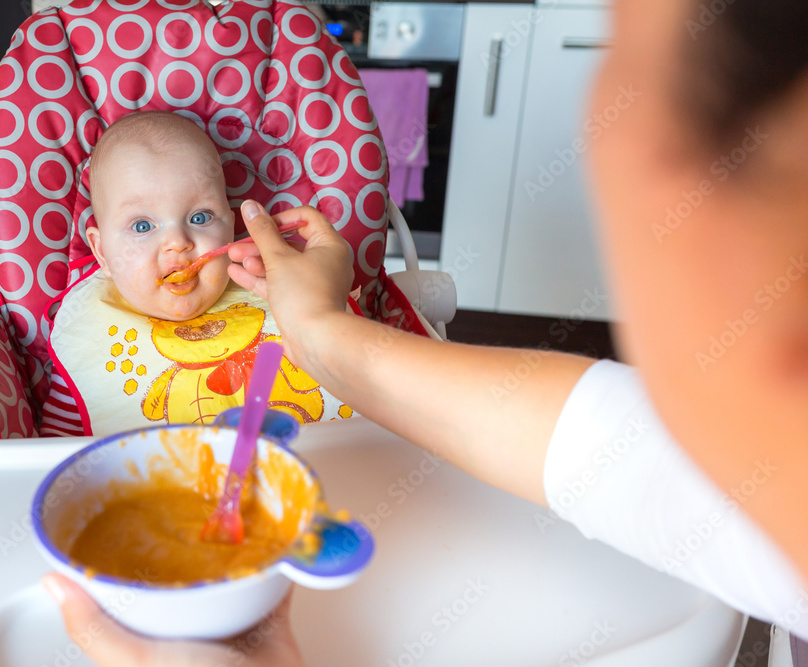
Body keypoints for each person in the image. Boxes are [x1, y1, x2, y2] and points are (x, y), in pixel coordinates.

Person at [42, 0, 808, 662]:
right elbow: (605, 445)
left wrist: (309, 322)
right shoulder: (749, 497)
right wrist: (320, 326)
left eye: (619, 46)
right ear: (100, 243)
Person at [41, 110, 351, 435]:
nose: (177, 242)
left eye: (201, 218)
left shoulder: (278, 286)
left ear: (231, 228)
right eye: (142, 225)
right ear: (102, 251)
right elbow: (54, 456)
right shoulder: (88, 337)